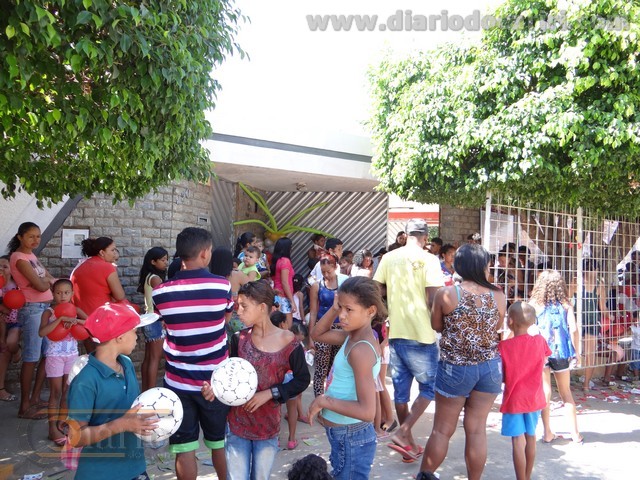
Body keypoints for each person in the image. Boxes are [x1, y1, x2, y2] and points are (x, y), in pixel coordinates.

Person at [202, 280, 310, 480]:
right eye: (238, 306)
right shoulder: (239, 339)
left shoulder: (288, 341)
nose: (239, 312)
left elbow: (302, 379)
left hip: (267, 428)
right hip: (237, 425)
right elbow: (231, 377)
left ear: (262, 308)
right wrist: (216, 390)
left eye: (244, 306)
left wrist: (270, 393)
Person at [417, 243, 506, 480]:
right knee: (477, 431)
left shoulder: (447, 294)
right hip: (489, 368)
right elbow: (496, 327)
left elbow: (436, 326)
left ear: (459, 265)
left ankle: (425, 477)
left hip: (455, 368)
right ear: (483, 266)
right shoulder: (498, 295)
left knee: (442, 430)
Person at [152, 228, 234, 480]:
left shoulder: (160, 292)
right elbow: (225, 320)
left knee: (184, 447)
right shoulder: (222, 286)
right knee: (219, 443)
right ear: (205, 253)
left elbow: (164, 323)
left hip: (178, 382)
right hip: (215, 382)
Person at [373, 219, 444, 461]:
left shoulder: (389, 258)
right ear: (425, 236)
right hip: (421, 335)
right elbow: (433, 299)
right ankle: (403, 433)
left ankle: (409, 446)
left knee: (401, 395)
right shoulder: (430, 260)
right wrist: (441, 326)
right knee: (430, 388)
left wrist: (389, 309)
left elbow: (375, 290)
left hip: (396, 333)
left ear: (406, 234)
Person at [66, 303, 158, 480]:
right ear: (120, 337)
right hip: (99, 474)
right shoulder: (85, 381)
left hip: (135, 467)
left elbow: (131, 410)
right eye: (135, 331)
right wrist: (121, 425)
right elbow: (75, 437)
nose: (137, 337)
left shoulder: (126, 364)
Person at [308, 277, 383, 479]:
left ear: (371, 311)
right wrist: (334, 308)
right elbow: (317, 334)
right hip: (346, 435)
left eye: (349, 310)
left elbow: (367, 412)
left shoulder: (360, 350)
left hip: (352, 436)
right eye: (340, 307)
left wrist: (324, 401)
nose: (342, 315)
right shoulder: (352, 336)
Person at [8, 222, 56, 419]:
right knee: (31, 357)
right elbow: (41, 285)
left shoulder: (31, 256)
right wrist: (47, 283)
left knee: (48, 354)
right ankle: (24, 406)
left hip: (44, 309)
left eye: (38, 236)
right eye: (31, 236)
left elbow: (49, 278)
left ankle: (35, 398)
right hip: (32, 310)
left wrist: (49, 282)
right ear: (20, 237)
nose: (36, 240)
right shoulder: (18, 258)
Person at [498, 302, 551, 480]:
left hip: (514, 399)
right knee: (531, 437)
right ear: (533, 322)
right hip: (534, 398)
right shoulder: (540, 341)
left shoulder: (503, 347)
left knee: (517, 441)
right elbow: (544, 359)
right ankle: (527, 477)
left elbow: (502, 376)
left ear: (510, 321)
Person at [529, 270, 582, 444]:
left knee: (545, 391)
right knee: (566, 392)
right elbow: (574, 329)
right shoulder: (566, 304)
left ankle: (547, 433)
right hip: (561, 352)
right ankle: (575, 434)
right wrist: (576, 352)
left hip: (540, 352)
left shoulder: (534, 304)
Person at [38, 279, 88, 445]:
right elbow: (42, 332)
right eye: (58, 292)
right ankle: (52, 429)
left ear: (72, 293)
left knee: (67, 391)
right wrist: (59, 319)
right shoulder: (49, 312)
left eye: (66, 292)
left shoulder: (75, 310)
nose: (62, 296)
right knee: (56, 392)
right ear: (53, 294)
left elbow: (91, 323)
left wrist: (75, 320)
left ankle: (62, 422)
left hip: (71, 355)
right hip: (54, 355)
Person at [70, 236, 126, 352]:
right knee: (105, 356)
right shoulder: (107, 267)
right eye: (112, 250)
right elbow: (120, 296)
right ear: (102, 252)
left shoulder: (79, 266)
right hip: (102, 318)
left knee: (91, 355)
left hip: (82, 319)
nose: (114, 253)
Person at [309, 254, 349, 397]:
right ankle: (319, 402)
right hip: (323, 329)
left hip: (340, 329)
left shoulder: (344, 284)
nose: (326, 275)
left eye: (328, 271)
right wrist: (311, 336)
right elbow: (313, 313)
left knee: (335, 368)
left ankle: (331, 400)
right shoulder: (317, 286)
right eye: (323, 271)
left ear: (335, 267)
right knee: (321, 369)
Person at [570, 258, 609, 391]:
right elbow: (603, 308)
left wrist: (610, 316)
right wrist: (610, 316)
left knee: (580, 352)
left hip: (582, 321)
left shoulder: (595, 284)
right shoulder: (579, 282)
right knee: (585, 353)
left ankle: (583, 384)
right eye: (594, 269)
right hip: (583, 321)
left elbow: (568, 300)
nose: (595, 272)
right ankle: (584, 384)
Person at [271, 311, 308, 450]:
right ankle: (291, 440)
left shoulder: (269, 339)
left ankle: (276, 438)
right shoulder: (291, 341)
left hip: (276, 378)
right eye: (286, 322)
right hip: (291, 378)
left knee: (276, 409)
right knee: (292, 409)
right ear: (282, 324)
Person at [137, 246, 169, 392]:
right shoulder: (155, 278)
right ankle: (150, 392)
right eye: (163, 260)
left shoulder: (149, 276)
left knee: (149, 358)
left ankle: (145, 390)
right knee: (155, 359)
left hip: (149, 319)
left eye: (166, 259)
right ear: (153, 262)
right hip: (156, 320)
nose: (166, 262)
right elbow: (162, 300)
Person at [0, 255, 21, 402]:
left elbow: (10, 308)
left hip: (13, 323)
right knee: (3, 351)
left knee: (11, 343)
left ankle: (17, 350)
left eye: (5, 267)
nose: (1, 269)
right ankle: (1, 389)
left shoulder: (16, 285)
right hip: (0, 323)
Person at [271, 237, 297, 329]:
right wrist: (292, 301)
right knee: (287, 327)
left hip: (278, 297)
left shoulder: (278, 261)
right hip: (284, 297)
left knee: (278, 326)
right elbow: (285, 282)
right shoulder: (286, 261)